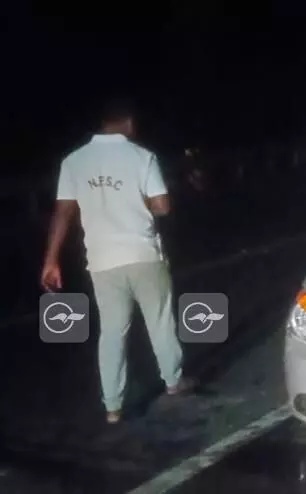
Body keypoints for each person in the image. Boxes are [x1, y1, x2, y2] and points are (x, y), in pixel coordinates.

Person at [41, 97, 194, 424]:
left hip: (102, 260)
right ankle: (173, 381)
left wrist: (51, 260)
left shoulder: (74, 162)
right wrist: (139, 203)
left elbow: (63, 213)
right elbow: (163, 206)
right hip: (143, 254)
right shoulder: (142, 156)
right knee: (160, 321)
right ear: (129, 123)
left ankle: (112, 406)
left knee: (112, 332)